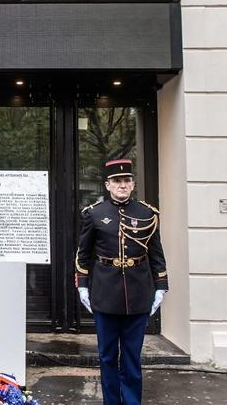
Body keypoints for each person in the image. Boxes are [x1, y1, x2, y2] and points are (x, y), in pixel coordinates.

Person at [75, 159, 168, 405]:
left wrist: (161, 287)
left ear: (133, 184)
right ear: (108, 185)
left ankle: (132, 401)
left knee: (131, 357)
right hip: (105, 293)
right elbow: (83, 253)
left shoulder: (147, 213)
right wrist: (82, 284)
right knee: (107, 357)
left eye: (126, 180)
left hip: (138, 293)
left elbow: (156, 253)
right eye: (117, 181)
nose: (122, 185)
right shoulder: (95, 214)